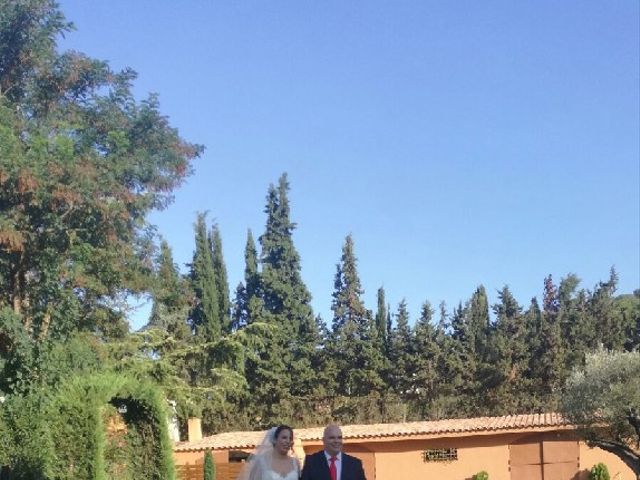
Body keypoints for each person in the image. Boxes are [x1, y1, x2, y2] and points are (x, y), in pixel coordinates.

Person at [300, 424, 366, 480]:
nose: (336, 441)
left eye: (339, 438)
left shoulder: (355, 464)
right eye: (332, 438)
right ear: (324, 440)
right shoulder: (311, 462)